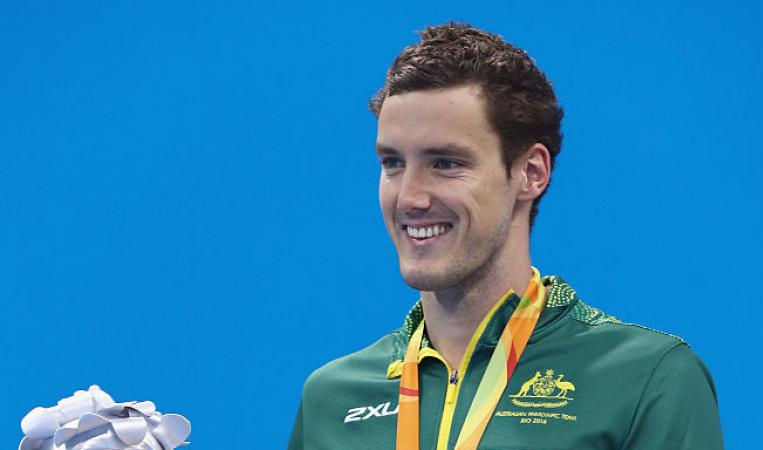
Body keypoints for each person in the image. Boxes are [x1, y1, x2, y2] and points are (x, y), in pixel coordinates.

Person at [288, 22, 723, 450]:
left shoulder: (644, 378)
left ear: (530, 173)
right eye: (393, 163)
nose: (410, 198)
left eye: (446, 163)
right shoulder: (332, 398)